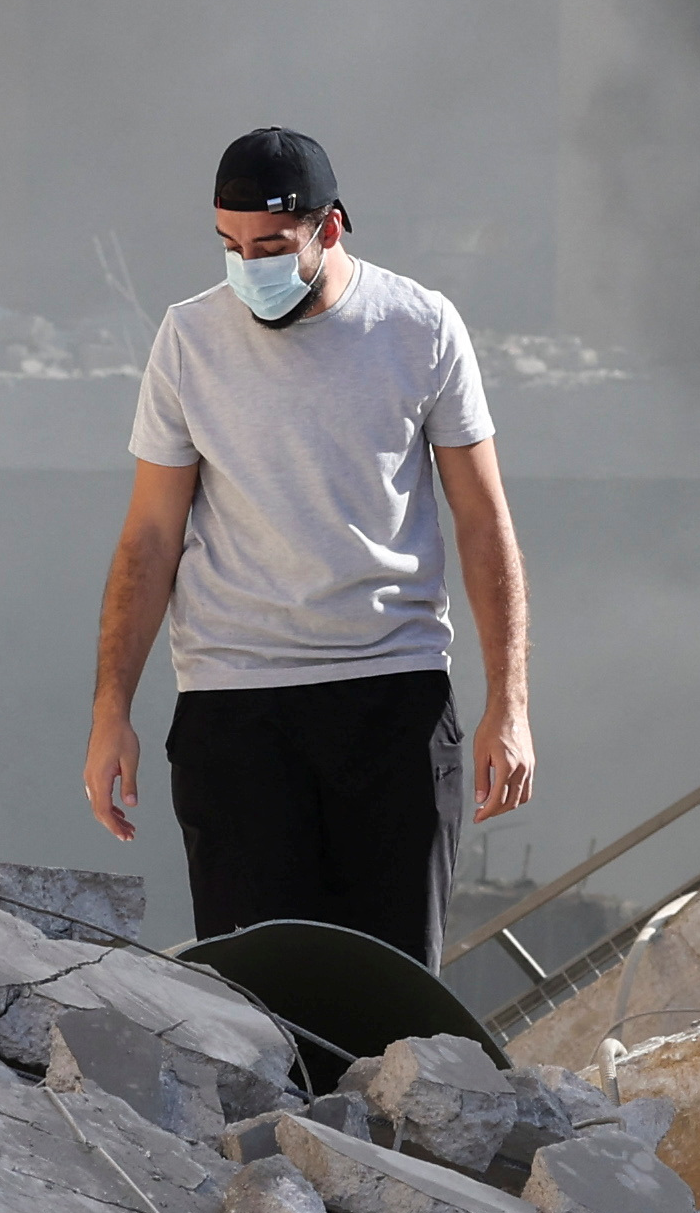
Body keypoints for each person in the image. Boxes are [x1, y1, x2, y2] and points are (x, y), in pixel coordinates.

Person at [80, 128, 534, 963]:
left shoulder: (419, 327)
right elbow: (149, 535)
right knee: (254, 1000)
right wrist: (112, 711)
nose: (248, 265)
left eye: (269, 246)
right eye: (229, 246)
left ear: (329, 228)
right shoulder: (187, 339)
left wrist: (508, 702)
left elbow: (482, 520)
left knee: (393, 997)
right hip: (233, 705)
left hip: (391, 698)